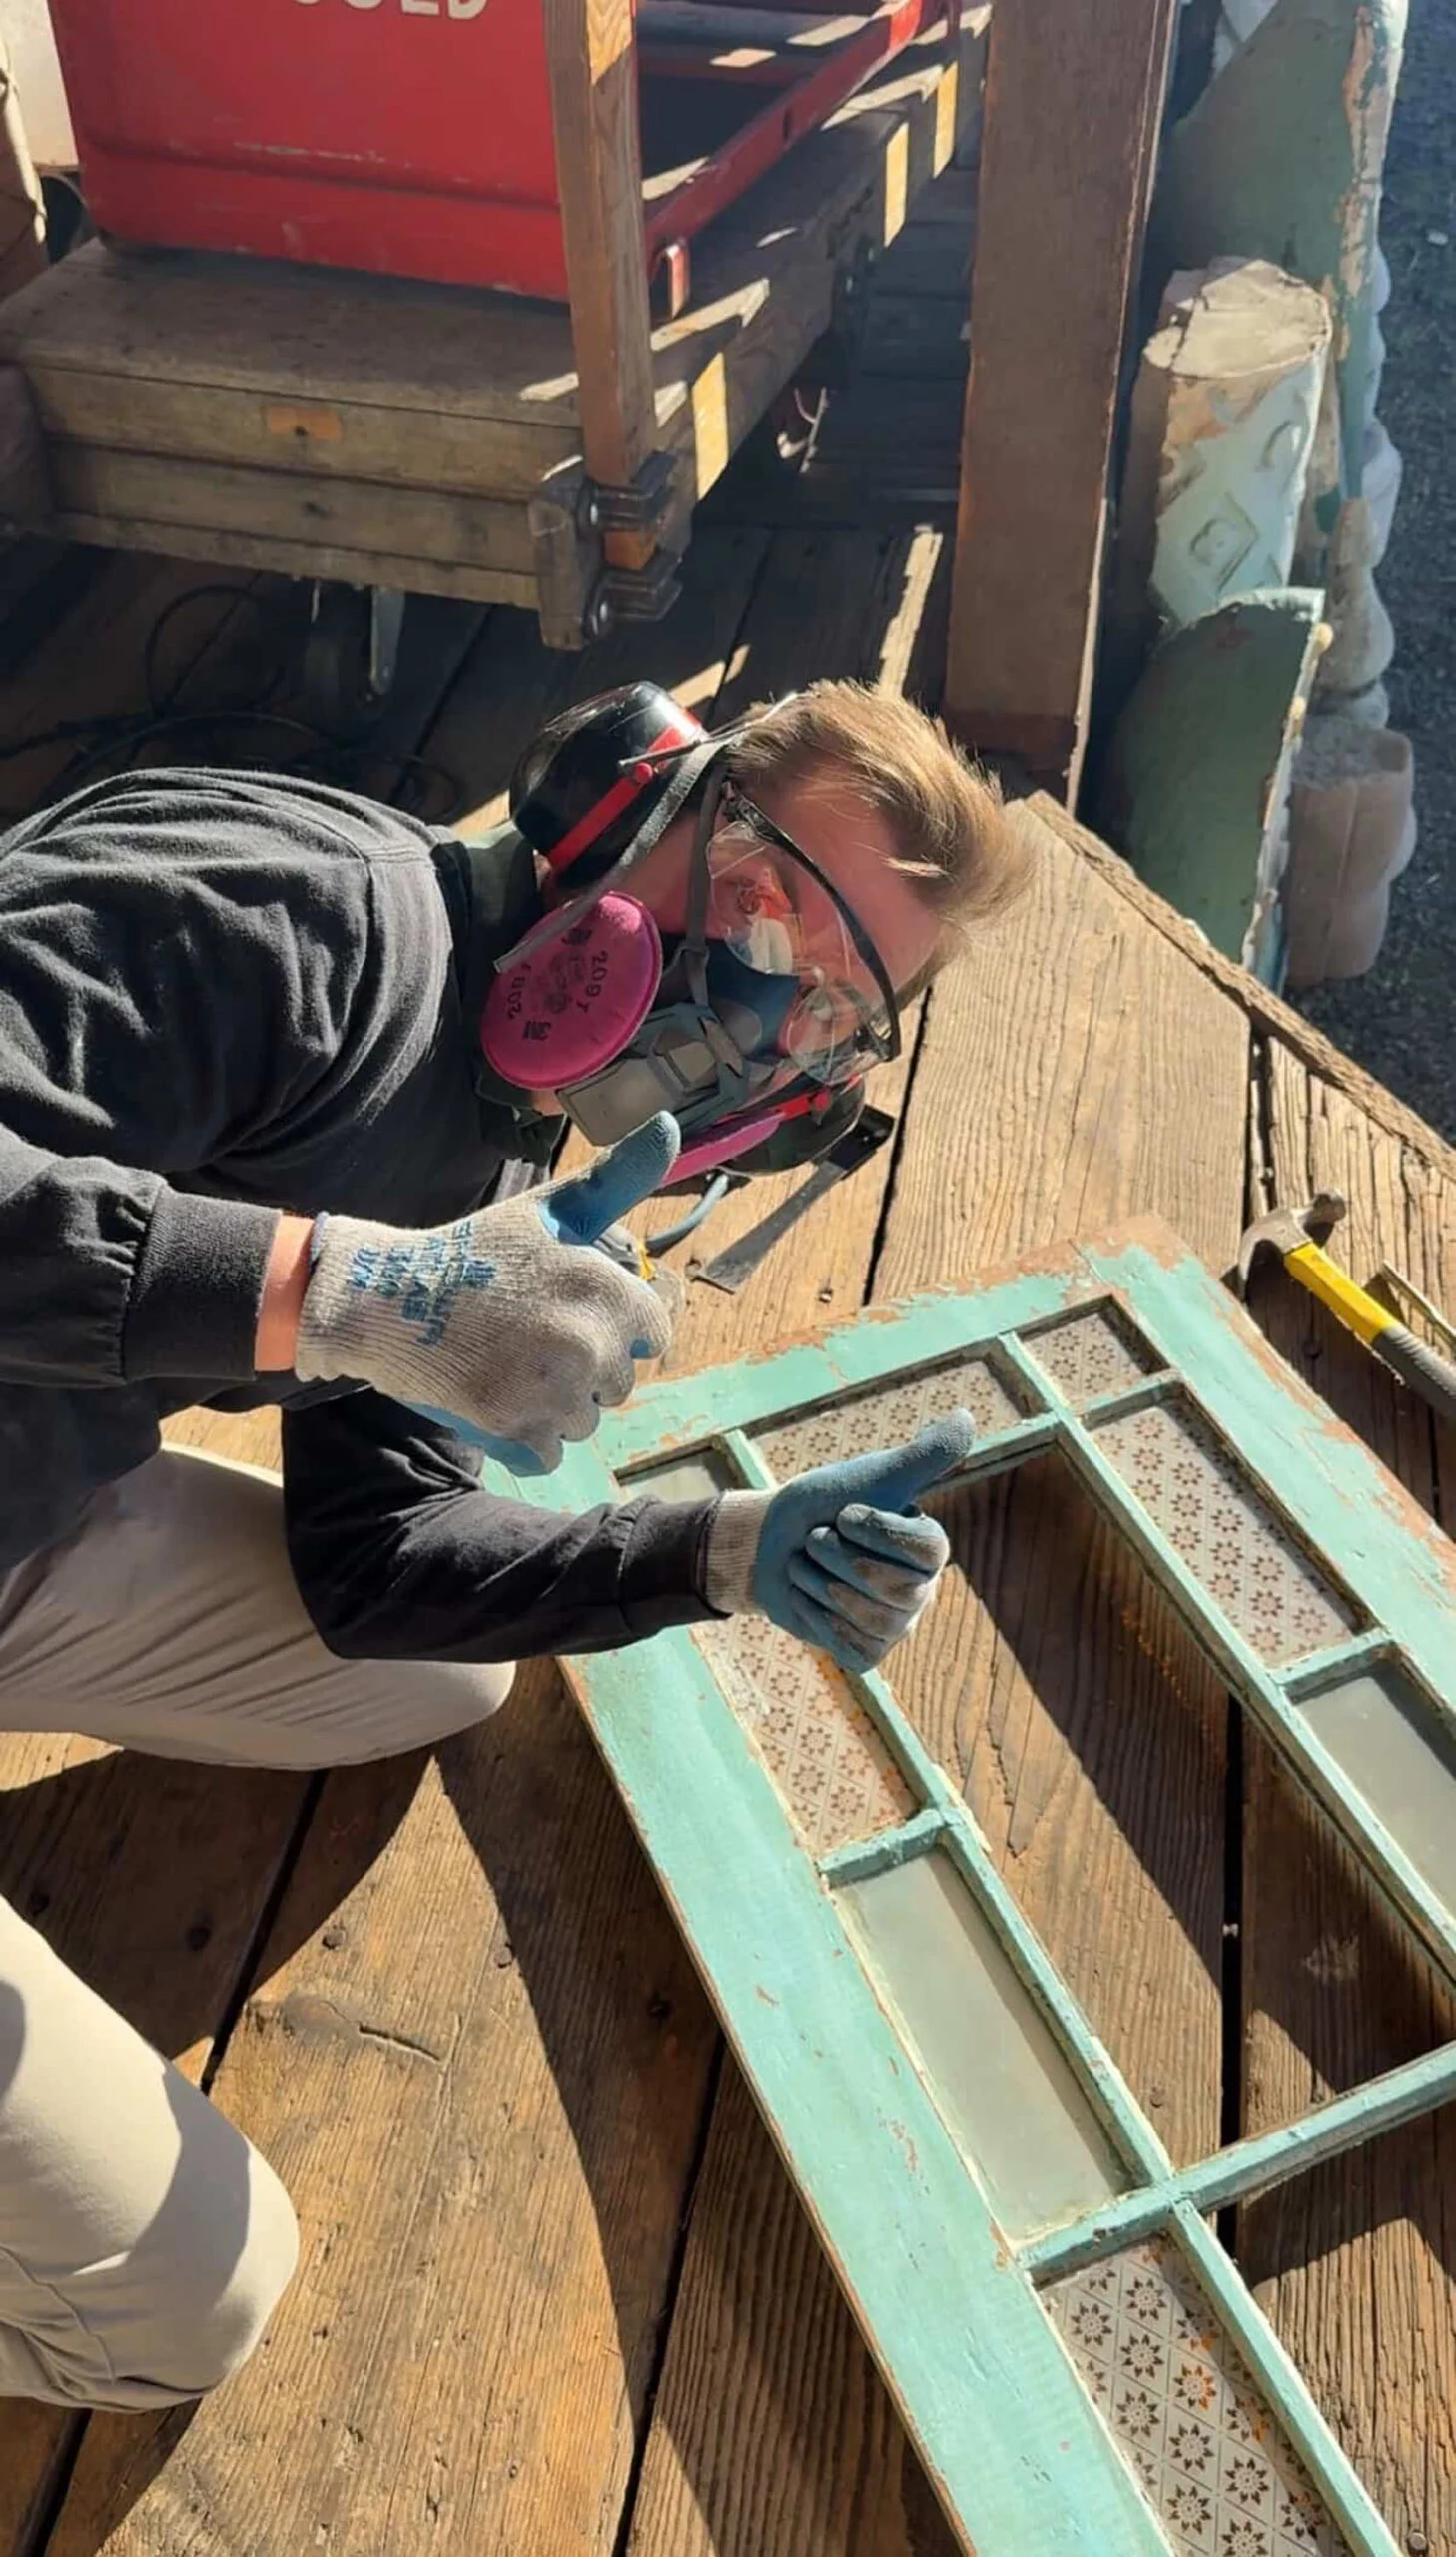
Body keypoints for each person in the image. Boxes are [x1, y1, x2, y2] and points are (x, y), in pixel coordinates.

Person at [0, 677, 1022, 2413]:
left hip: (25, 1515)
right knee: (178, 2312)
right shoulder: (281, 917)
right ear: (626, 796)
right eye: (766, 904)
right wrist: (334, 1289)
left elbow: (380, 1549)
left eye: (835, 1011)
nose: (765, 1008)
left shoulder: (485, 1127)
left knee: (438, 1679)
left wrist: (712, 1552)